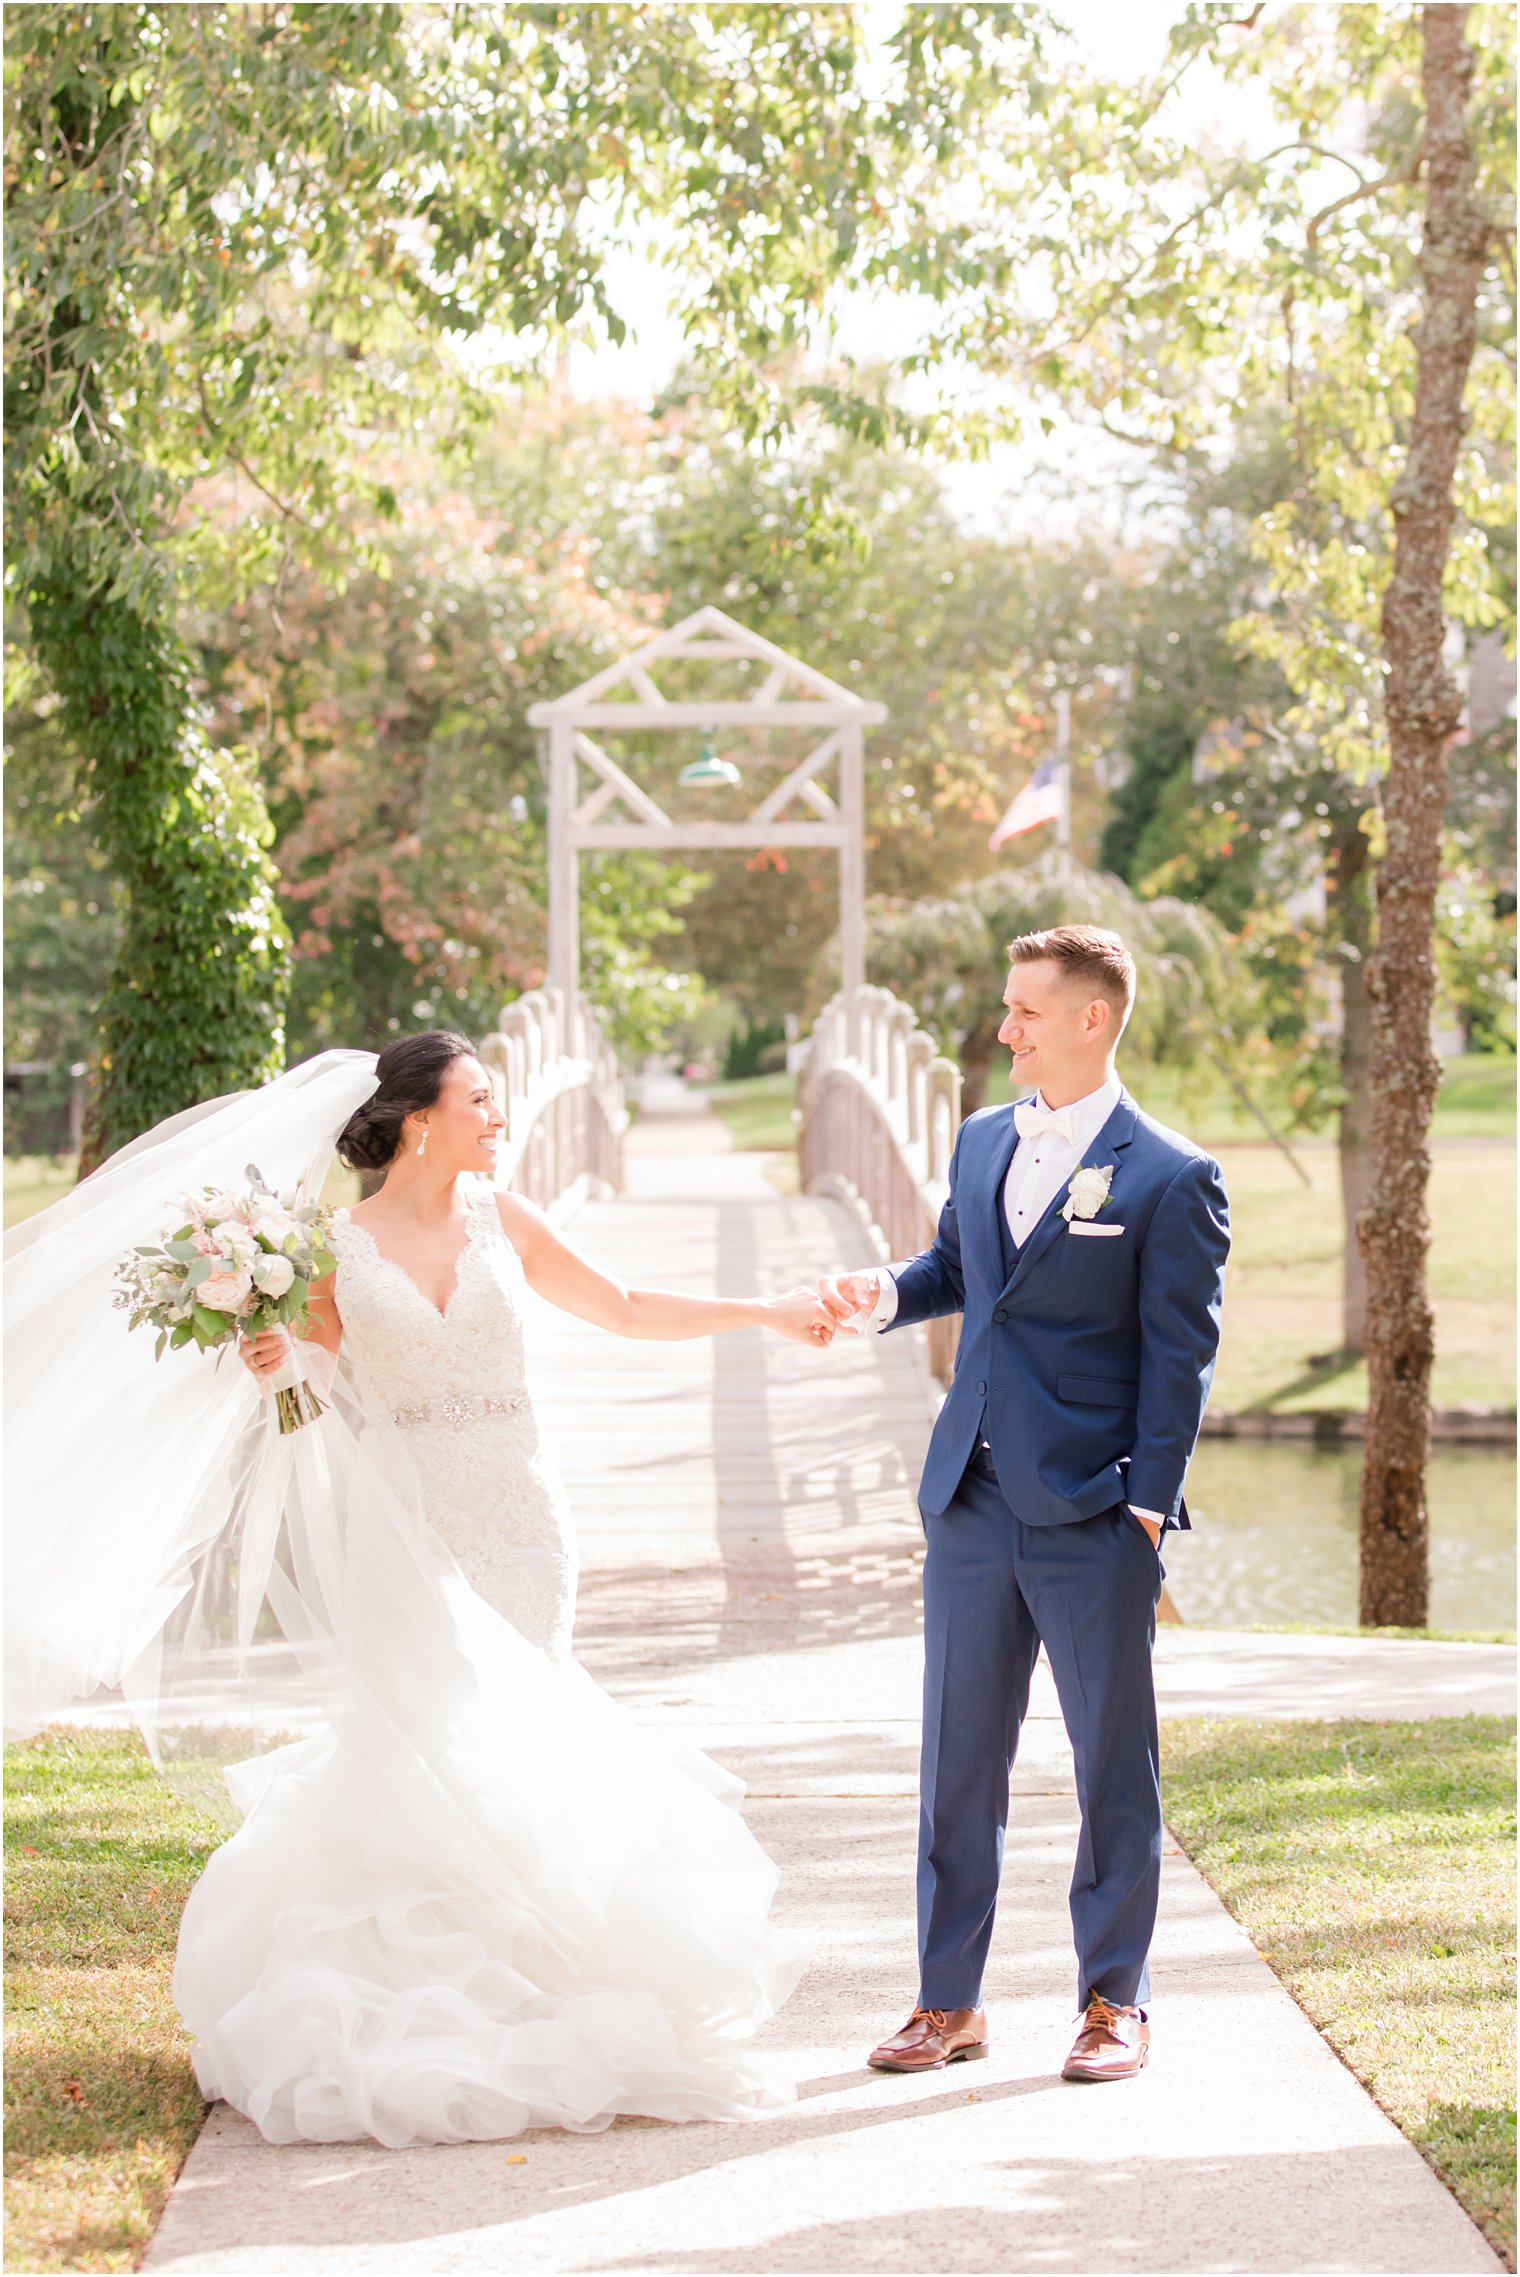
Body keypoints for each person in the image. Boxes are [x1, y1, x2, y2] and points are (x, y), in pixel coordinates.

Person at [6, 1033, 836, 2148]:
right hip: (403, 1522)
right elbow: (311, 1390)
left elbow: (627, 1305)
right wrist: (273, 1363)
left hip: (523, 1517)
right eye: (477, 1099)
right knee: (423, 1735)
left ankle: (538, 1972)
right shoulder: (329, 1248)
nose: (496, 1116)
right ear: (415, 1120)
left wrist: (768, 1311)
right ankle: (416, 1976)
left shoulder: (506, 1217)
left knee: (524, 1726)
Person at [820, 925, 1229, 2086]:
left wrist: (1144, 1512)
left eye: (1026, 1012)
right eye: (1006, 1009)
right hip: (967, 1503)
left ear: (1090, 1018)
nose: (1004, 1030)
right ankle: (946, 2001)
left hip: (1091, 1516)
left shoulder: (1169, 1175)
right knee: (955, 1762)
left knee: (1110, 1766)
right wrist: (877, 1294)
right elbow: (955, 1270)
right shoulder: (980, 1137)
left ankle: (1113, 2003)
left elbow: (1177, 1361)